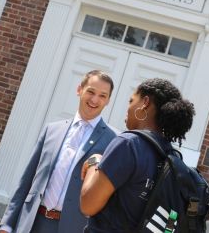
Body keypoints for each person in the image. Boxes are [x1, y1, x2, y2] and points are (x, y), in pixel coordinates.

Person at [0, 70, 118, 233]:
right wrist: (7, 224)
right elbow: (26, 181)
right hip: (31, 223)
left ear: (108, 101)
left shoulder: (113, 141)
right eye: (91, 91)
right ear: (79, 90)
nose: (94, 100)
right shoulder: (52, 130)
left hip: (73, 227)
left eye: (102, 96)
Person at [80, 78, 195, 232]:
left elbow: (88, 205)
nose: (128, 108)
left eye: (131, 101)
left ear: (145, 102)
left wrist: (95, 161)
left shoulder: (129, 144)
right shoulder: (169, 154)